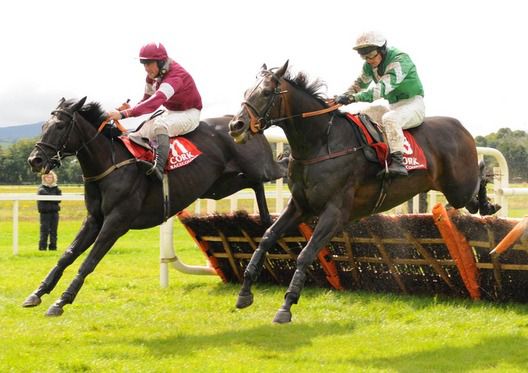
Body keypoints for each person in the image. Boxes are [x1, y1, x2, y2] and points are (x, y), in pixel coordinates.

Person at [107, 42, 203, 181]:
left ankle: (158, 169)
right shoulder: (152, 76)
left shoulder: (175, 77)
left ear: (161, 61)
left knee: (160, 126)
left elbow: (155, 102)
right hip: (171, 112)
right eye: (144, 64)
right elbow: (146, 100)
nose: (146, 68)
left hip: (190, 113)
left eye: (149, 63)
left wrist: (124, 114)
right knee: (137, 134)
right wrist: (127, 109)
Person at [334, 31, 425, 177]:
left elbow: (380, 90)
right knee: (363, 115)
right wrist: (342, 97)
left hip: (413, 104)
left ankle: (398, 163)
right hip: (392, 105)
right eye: (364, 56)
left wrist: (352, 99)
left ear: (382, 49)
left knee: (390, 119)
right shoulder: (369, 65)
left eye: (371, 55)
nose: (369, 60)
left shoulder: (400, 60)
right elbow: (359, 84)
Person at [37, 171, 61, 251]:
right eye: (47, 177)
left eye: (50, 177)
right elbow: (45, 196)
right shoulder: (41, 189)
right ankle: (42, 248)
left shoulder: (57, 189)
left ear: (53, 178)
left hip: (54, 213)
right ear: (44, 178)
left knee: (54, 231)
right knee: (44, 231)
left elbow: (59, 200)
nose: (49, 179)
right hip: (45, 213)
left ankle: (53, 248)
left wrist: (51, 199)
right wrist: (53, 199)